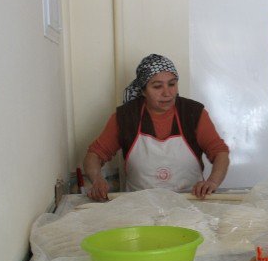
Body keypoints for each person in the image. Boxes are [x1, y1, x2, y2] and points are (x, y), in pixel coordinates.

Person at [84, 54, 230, 201]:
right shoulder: (126, 117)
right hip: (139, 205)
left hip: (191, 203)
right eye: (157, 86)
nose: (167, 93)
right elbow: (94, 155)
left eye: (172, 84)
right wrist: (97, 179)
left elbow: (220, 152)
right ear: (143, 90)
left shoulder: (193, 113)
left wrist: (212, 181)